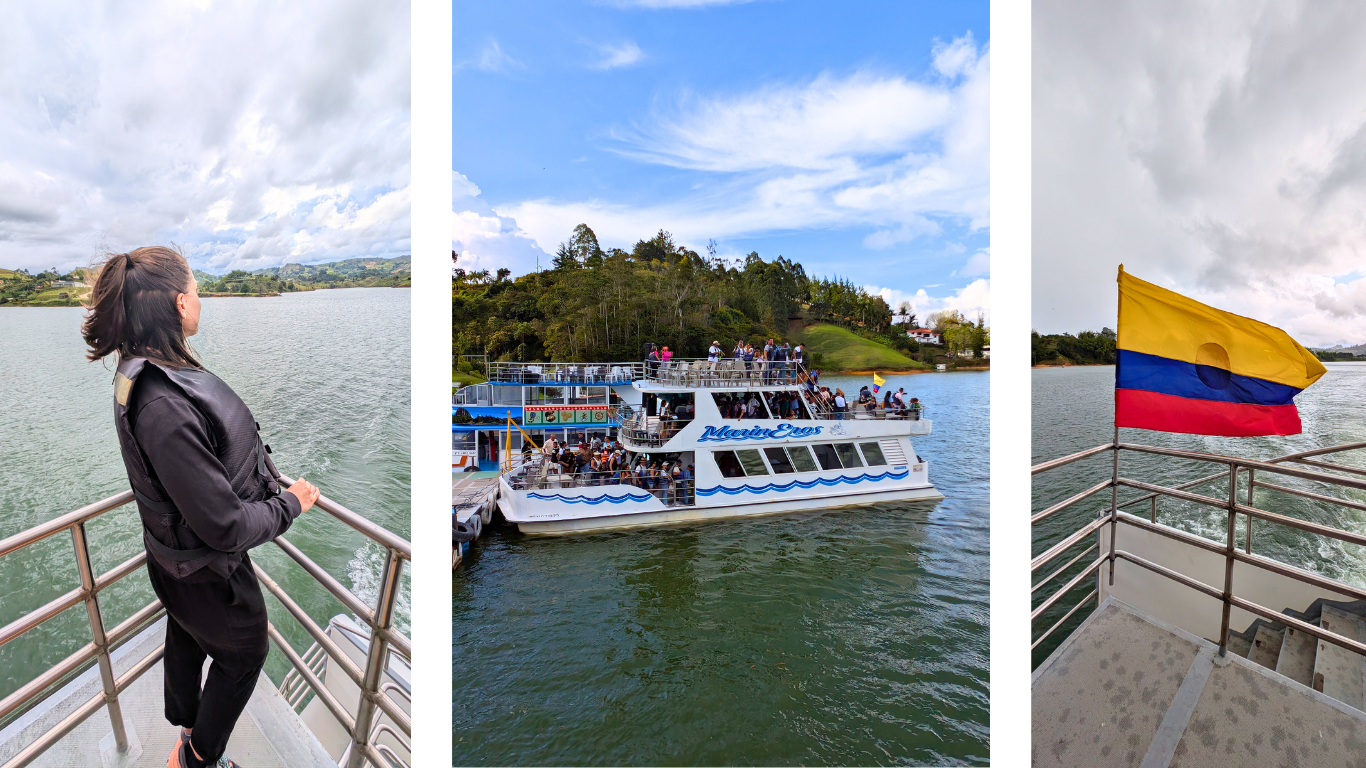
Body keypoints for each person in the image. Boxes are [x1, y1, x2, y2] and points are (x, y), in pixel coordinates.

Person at [82, 247, 320, 768]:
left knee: (188, 632)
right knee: (245, 652)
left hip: (174, 557)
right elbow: (225, 524)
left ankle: (185, 727)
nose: (200, 303)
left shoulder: (143, 373)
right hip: (206, 567)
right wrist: (291, 503)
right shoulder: (162, 401)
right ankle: (198, 758)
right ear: (179, 304)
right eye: (197, 293)